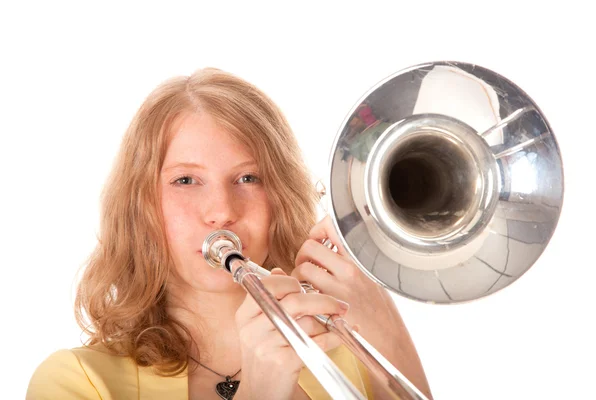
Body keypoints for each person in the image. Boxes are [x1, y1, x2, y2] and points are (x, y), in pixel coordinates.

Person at [26, 68, 432, 399]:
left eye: (248, 177)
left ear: (280, 197)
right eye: (185, 180)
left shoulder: (352, 359)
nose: (221, 211)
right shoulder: (77, 382)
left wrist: (388, 331)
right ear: (140, 206)